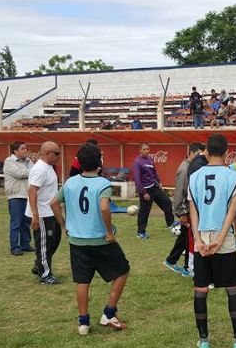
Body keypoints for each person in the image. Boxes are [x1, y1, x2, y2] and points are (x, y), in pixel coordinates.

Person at [188, 134, 236, 348]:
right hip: (224, 238)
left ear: (207, 152)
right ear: (228, 152)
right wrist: (220, 239)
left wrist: (199, 239)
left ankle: (203, 341)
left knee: (201, 290)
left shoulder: (195, 176)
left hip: (202, 237)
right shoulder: (232, 176)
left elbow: (193, 210)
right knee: (232, 288)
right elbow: (232, 211)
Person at [50, 144, 130, 336]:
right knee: (123, 270)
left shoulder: (69, 182)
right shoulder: (102, 183)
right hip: (99, 240)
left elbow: (53, 203)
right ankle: (109, 314)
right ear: (99, 163)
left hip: (77, 241)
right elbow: (104, 207)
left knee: (82, 281)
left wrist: (64, 225)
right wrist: (109, 231)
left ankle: (84, 323)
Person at [164, 143, 204, 276]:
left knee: (185, 237)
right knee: (189, 238)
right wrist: (181, 212)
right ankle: (188, 268)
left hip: (189, 209)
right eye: (198, 154)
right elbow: (179, 192)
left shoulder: (191, 167)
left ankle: (172, 260)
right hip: (186, 209)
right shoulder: (185, 168)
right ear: (191, 153)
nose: (200, 157)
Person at [28, 141, 62, 285]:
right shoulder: (40, 169)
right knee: (44, 244)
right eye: (56, 154)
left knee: (54, 241)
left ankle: (39, 264)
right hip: (42, 213)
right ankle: (45, 274)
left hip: (51, 212)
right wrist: (35, 215)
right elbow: (32, 191)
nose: (59, 157)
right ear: (47, 153)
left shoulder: (49, 167)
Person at [132, 143, 176, 239]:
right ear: (140, 150)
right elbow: (137, 179)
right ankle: (141, 232)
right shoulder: (137, 162)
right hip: (146, 190)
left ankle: (171, 224)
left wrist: (159, 182)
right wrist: (143, 192)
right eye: (144, 149)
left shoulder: (150, 159)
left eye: (148, 149)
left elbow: (154, 172)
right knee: (144, 211)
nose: (147, 150)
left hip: (155, 187)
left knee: (167, 202)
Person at [4, 141, 34, 256]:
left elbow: (32, 173)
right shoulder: (9, 161)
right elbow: (20, 174)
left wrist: (32, 172)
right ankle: (14, 247)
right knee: (16, 222)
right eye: (22, 148)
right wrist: (33, 171)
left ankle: (25, 244)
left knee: (26, 222)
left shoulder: (28, 161)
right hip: (16, 195)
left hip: (27, 195)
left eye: (26, 148)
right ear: (15, 151)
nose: (25, 150)